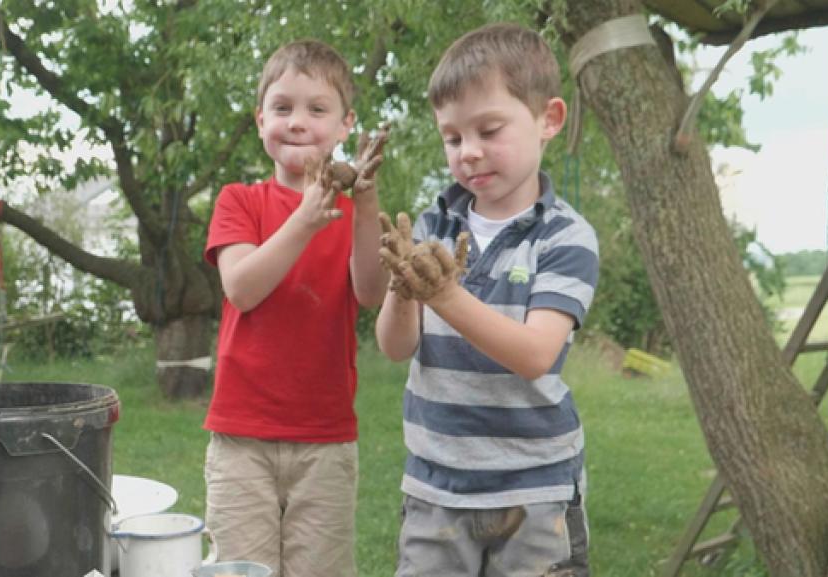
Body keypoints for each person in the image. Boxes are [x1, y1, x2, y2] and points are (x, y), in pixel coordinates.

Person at [375, 23, 599, 577]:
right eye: (452, 138)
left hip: (535, 487)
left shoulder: (565, 237)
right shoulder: (432, 224)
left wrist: (443, 294)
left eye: (489, 129)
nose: (469, 152)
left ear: (549, 119)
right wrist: (404, 293)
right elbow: (395, 347)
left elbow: (535, 355)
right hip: (435, 484)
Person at [202, 39, 388, 577]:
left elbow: (372, 292)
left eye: (317, 109)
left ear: (345, 124)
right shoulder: (239, 200)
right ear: (261, 120)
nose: (298, 122)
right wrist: (306, 219)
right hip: (241, 438)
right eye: (282, 108)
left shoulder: (357, 210)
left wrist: (368, 201)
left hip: (325, 439)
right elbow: (242, 287)